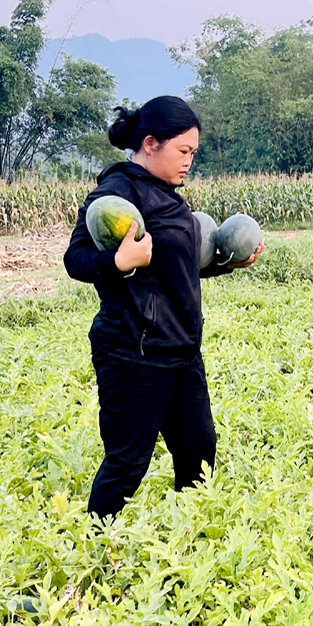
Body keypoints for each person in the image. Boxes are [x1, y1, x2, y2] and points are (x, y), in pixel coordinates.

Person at [64, 96, 262, 519]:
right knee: (127, 462)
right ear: (151, 143)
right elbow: (76, 260)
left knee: (198, 451)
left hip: (181, 349)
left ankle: (186, 536)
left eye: (193, 153)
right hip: (133, 351)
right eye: (183, 151)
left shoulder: (168, 194)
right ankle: (96, 549)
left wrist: (228, 263)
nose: (189, 161)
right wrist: (116, 262)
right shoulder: (119, 190)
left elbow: (173, 268)